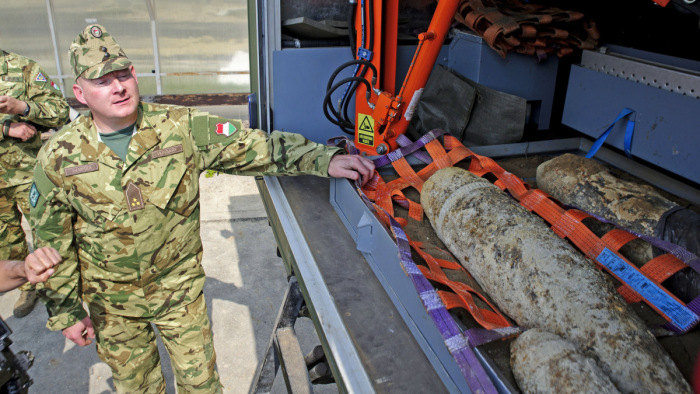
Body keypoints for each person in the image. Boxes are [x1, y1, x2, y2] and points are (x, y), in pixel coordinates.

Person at [29, 24, 375, 393]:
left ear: (133, 74)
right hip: (111, 307)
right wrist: (65, 311)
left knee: (202, 386)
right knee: (137, 388)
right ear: (79, 94)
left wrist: (322, 160)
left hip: (179, 294)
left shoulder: (181, 127)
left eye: (122, 74)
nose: (118, 87)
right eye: (102, 81)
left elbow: (252, 146)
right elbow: (52, 242)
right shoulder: (59, 156)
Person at [0, 46, 70, 317]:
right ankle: (26, 284)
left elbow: (60, 113)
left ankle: (60, 292)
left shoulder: (23, 68)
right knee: (7, 239)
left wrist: (23, 107)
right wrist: (6, 127)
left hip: (25, 174)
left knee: (49, 231)